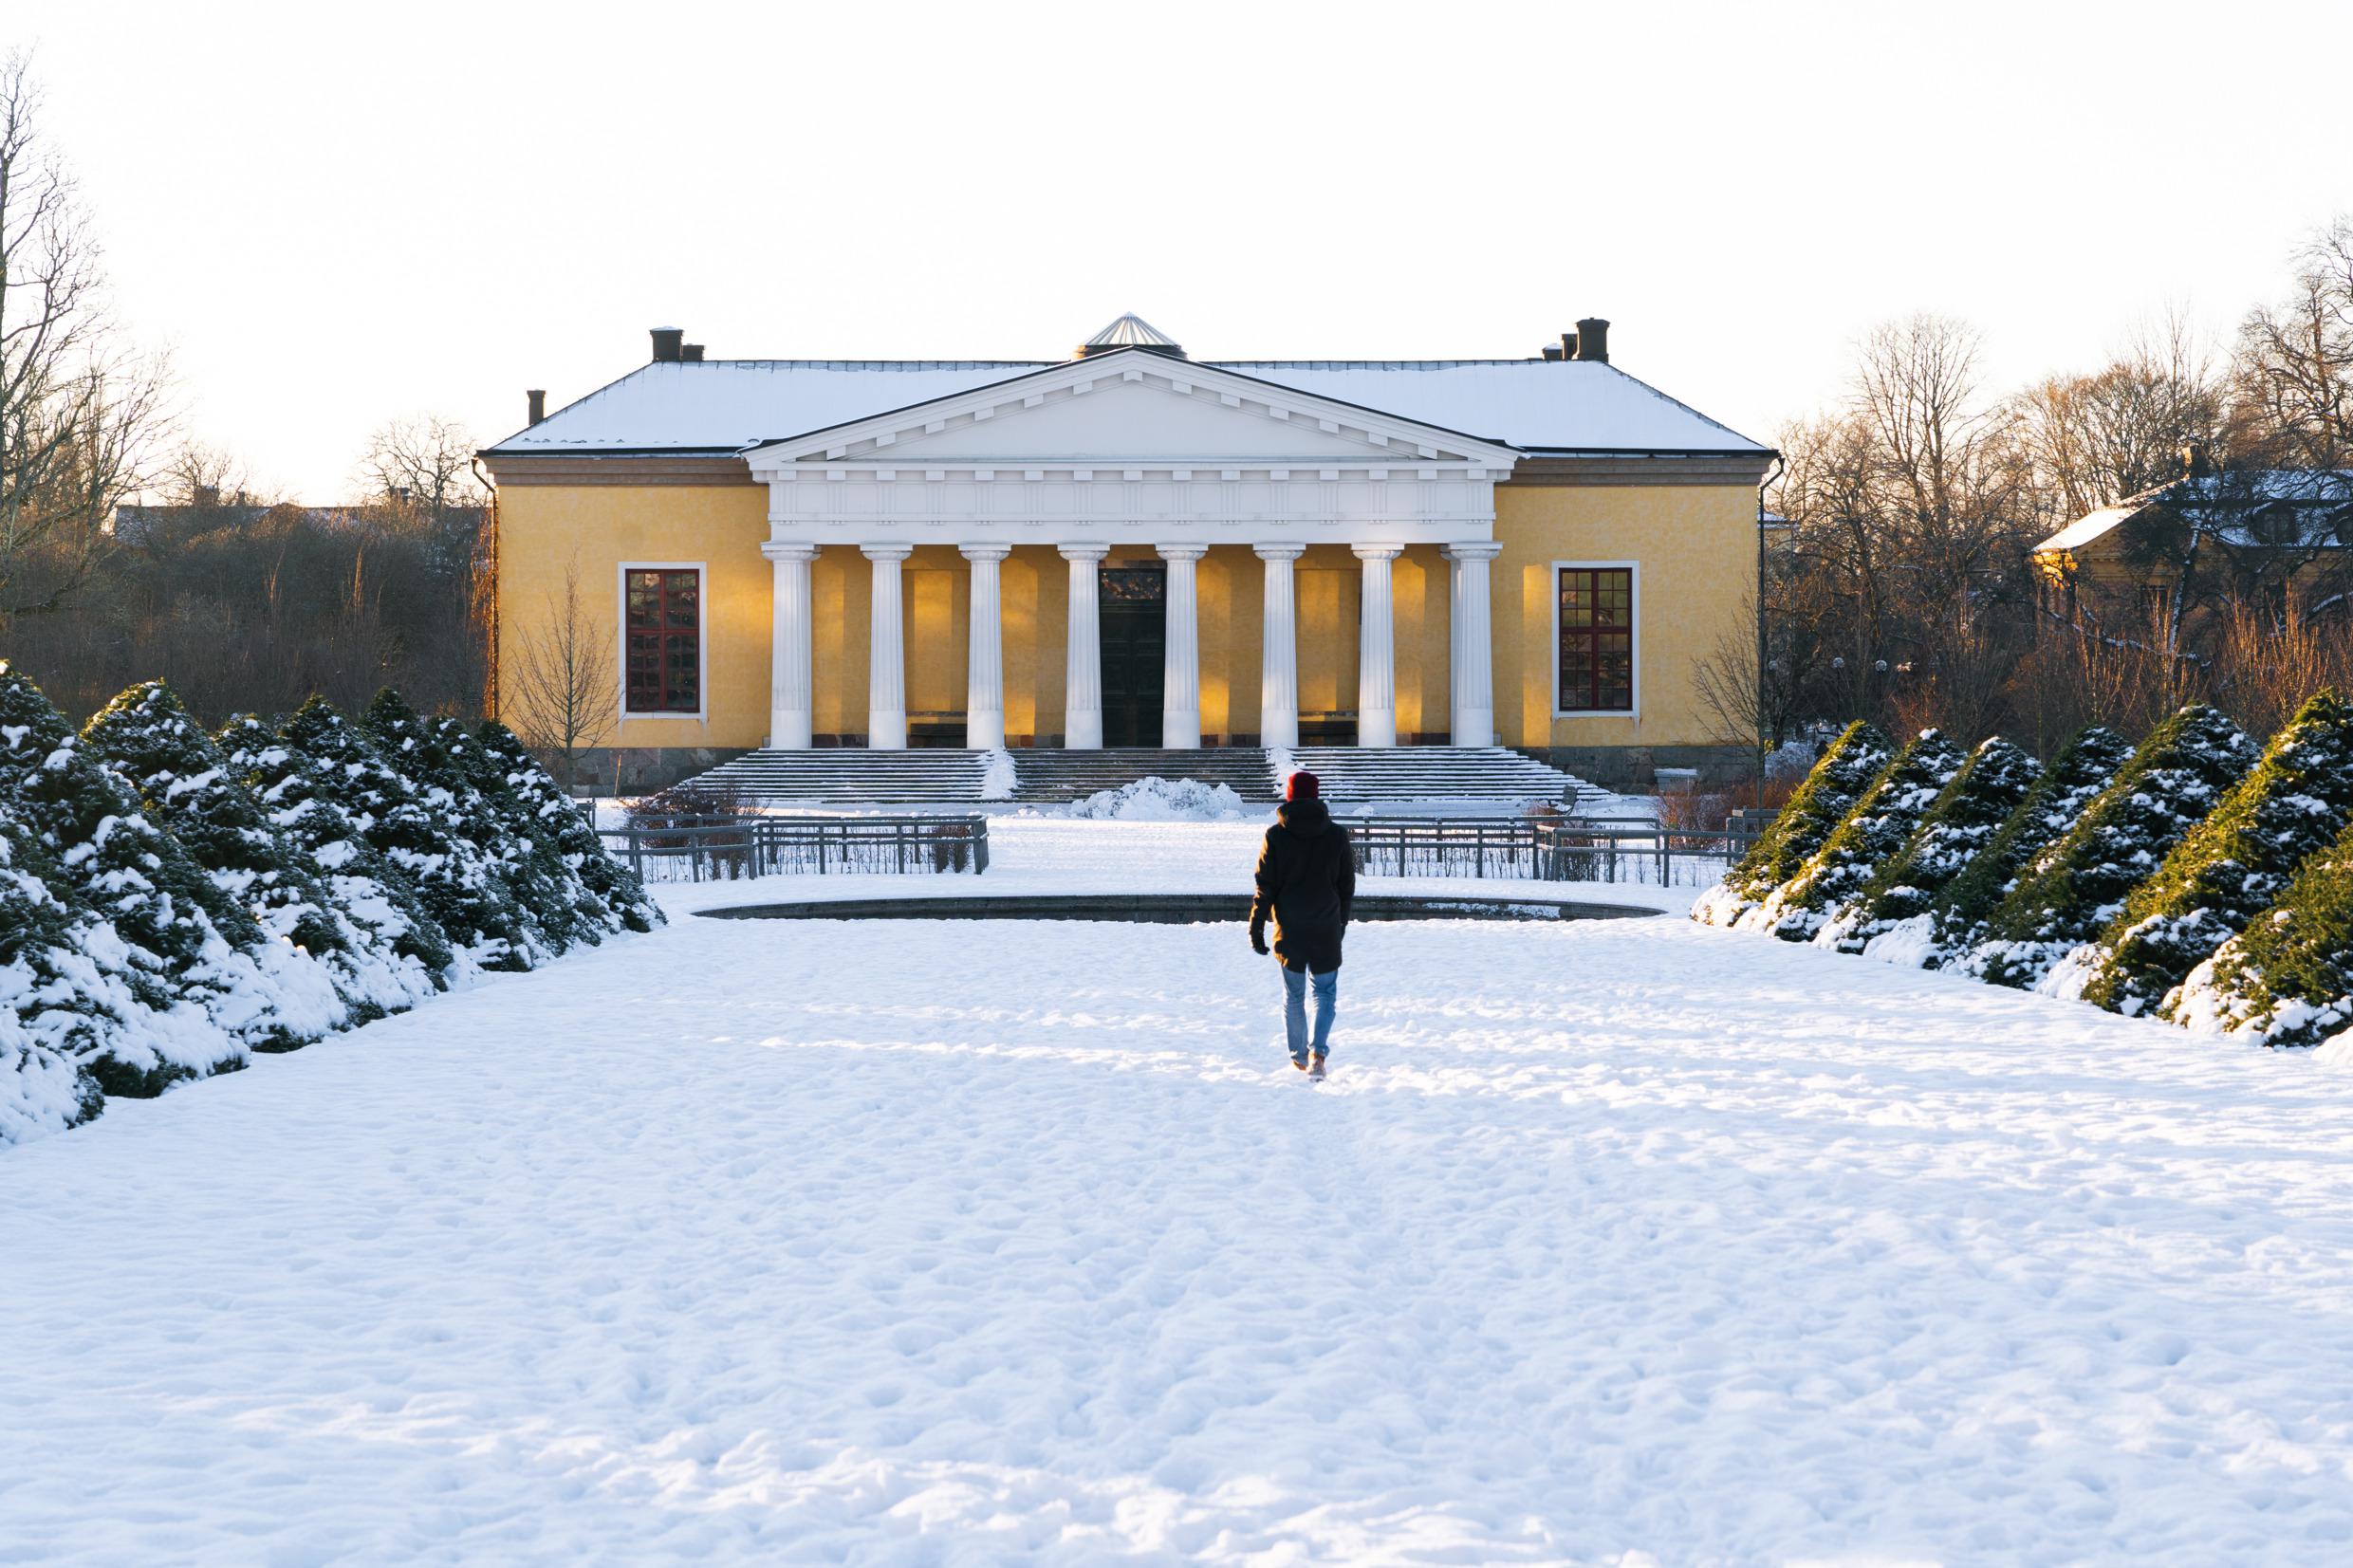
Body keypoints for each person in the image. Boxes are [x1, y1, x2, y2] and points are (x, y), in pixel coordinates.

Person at [1248, 769, 1355, 1079]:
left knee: (1293, 996)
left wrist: (1256, 927)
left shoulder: (1275, 835)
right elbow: (1346, 886)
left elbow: (1264, 887)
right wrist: (1341, 924)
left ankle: (1299, 1058)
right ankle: (1318, 1053)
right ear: (1316, 795)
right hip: (1325, 926)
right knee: (1325, 993)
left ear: (1291, 796)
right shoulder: (1336, 835)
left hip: (1290, 927)